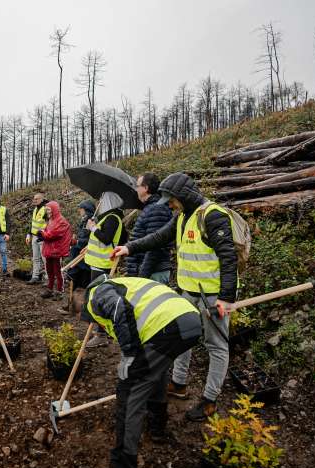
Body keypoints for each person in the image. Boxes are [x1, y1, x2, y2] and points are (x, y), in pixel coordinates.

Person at [112, 172, 238, 421]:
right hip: (187, 292)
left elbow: (228, 257)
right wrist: (129, 248)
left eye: (172, 200)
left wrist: (226, 296)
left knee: (216, 346)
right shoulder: (181, 217)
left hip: (212, 297)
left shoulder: (212, 216)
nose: (169, 205)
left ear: (183, 197)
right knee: (182, 338)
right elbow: (158, 237)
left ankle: (210, 400)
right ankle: (179, 384)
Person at [80, 275, 202, 468]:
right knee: (155, 371)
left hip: (167, 327)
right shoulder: (128, 283)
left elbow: (118, 308)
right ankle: (157, 426)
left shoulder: (96, 295)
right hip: (189, 321)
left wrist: (129, 355)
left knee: (129, 394)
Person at [83, 191, 127, 347]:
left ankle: (101, 334)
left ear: (108, 201)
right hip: (97, 264)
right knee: (96, 298)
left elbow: (107, 239)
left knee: (99, 300)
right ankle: (101, 331)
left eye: (102, 200)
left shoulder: (112, 219)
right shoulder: (107, 218)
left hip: (103, 266)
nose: (99, 203)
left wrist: (93, 228)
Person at [125, 173, 173, 284]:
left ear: (146, 188)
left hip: (153, 274)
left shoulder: (157, 209)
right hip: (149, 272)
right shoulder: (151, 208)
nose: (136, 189)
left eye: (138, 186)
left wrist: (142, 277)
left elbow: (155, 247)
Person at [39, 201, 72, 299]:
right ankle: (50, 289)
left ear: (54, 209)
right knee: (49, 270)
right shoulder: (51, 220)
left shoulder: (61, 221)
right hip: (50, 249)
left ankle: (59, 291)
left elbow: (53, 234)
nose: (47, 211)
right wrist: (42, 233)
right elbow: (47, 231)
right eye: (47, 210)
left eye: (48, 209)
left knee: (58, 271)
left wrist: (42, 234)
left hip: (57, 250)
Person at [25, 192, 48, 284]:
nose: (34, 200)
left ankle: (47, 278)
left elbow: (49, 224)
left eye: (37, 199)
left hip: (43, 238)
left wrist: (45, 235)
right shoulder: (35, 209)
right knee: (35, 258)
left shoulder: (46, 209)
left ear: (42, 199)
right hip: (34, 236)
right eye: (34, 199)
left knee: (45, 258)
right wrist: (28, 234)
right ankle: (35, 276)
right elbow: (33, 223)